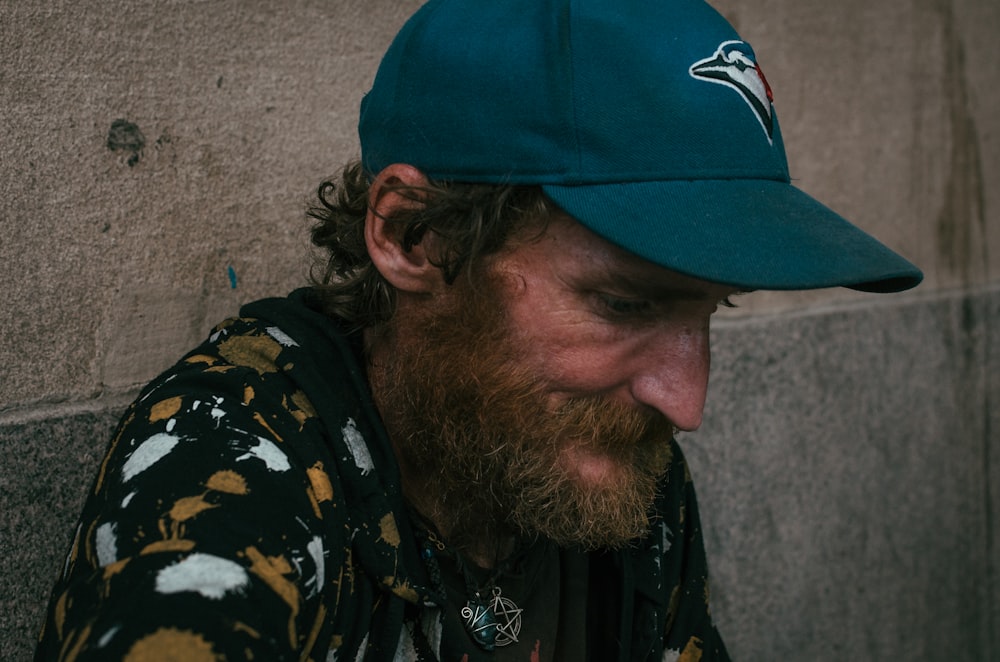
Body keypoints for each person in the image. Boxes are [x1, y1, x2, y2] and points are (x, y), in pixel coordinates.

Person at [35, 0, 922, 660]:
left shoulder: (609, 461)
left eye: (709, 312)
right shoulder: (233, 465)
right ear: (412, 235)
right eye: (624, 304)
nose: (685, 401)